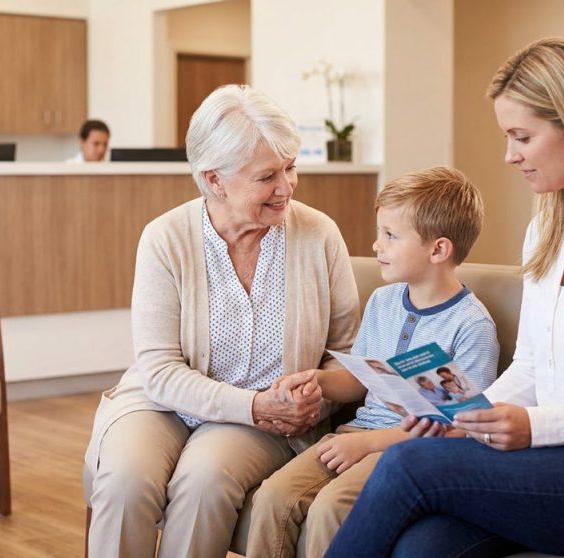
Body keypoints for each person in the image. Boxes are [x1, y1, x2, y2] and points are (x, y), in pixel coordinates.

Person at [327, 37, 564, 558]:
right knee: (424, 548)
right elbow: (533, 364)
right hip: (562, 463)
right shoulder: (546, 230)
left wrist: (534, 426)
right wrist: (465, 417)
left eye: (522, 137)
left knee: (405, 464)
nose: (509, 156)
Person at [83, 84, 361, 558]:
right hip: (163, 404)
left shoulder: (318, 236)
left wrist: (318, 392)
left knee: (204, 482)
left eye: (291, 167)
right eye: (267, 176)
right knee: (125, 480)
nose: (287, 187)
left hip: (262, 421)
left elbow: (348, 352)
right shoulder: (165, 239)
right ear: (214, 180)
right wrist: (253, 404)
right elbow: (160, 371)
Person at [246, 167, 499, 558]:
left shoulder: (471, 325)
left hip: (407, 451)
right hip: (353, 435)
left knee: (330, 509)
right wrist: (317, 380)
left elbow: (461, 430)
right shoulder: (384, 301)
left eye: (390, 236)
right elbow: (360, 382)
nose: (376, 245)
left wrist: (369, 444)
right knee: (272, 497)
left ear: (438, 250)